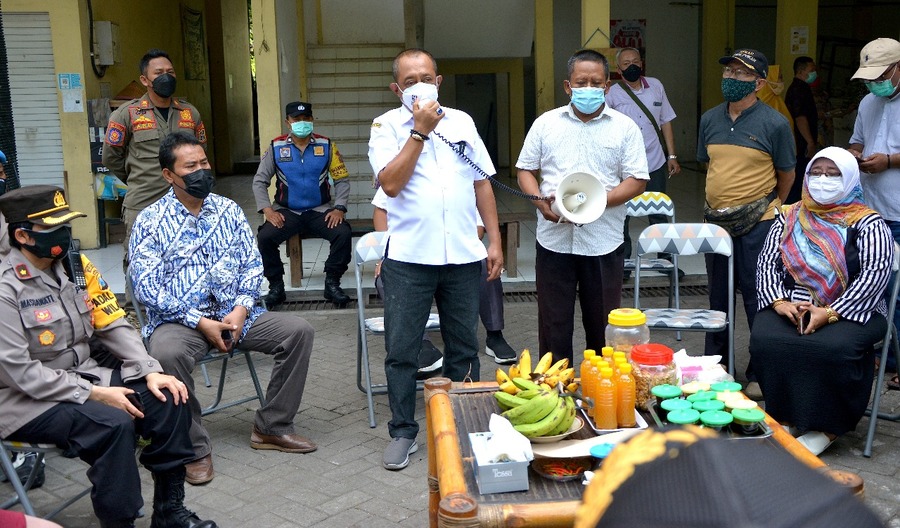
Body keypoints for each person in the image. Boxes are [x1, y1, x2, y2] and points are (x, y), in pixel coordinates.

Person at [0, 185, 216, 528]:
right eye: (53, 227)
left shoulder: (73, 266)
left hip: (82, 375)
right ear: (23, 236)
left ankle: (169, 511)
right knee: (112, 423)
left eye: (66, 223)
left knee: (168, 395)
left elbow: (111, 322)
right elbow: (19, 373)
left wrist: (150, 370)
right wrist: (96, 394)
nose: (65, 234)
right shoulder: (5, 287)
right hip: (23, 400)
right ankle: (119, 521)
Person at [130, 132, 316, 486]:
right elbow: (147, 288)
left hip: (236, 316)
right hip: (182, 322)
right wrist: (200, 322)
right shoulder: (150, 221)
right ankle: (193, 447)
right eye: (191, 166)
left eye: (204, 163)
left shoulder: (228, 211)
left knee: (299, 331)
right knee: (165, 352)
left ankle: (272, 427)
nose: (201, 171)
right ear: (169, 175)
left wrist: (243, 309)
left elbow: (251, 265)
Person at [368, 48, 503, 470]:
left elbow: (482, 183)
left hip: (463, 254)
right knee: (402, 349)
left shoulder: (461, 122)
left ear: (439, 81)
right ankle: (404, 431)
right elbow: (389, 184)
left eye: (426, 76)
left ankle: (467, 421)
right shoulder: (386, 126)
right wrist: (419, 132)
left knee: (465, 344)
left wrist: (494, 241)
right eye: (409, 81)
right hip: (409, 258)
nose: (419, 85)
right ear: (396, 88)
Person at [751, 147, 893, 455]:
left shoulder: (868, 224)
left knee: (834, 347)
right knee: (766, 338)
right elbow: (766, 264)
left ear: (850, 178)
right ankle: (786, 416)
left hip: (854, 308)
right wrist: (778, 302)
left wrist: (829, 312)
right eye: (816, 172)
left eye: (833, 173)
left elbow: (874, 276)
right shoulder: (788, 216)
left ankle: (828, 427)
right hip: (792, 303)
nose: (822, 180)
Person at [516, 49, 649, 366]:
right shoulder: (546, 124)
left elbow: (637, 180)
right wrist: (538, 200)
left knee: (603, 328)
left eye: (596, 82)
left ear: (606, 87)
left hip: (603, 242)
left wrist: (598, 202)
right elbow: (524, 170)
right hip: (554, 239)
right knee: (553, 324)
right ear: (567, 86)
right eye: (581, 82)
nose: (588, 88)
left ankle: (598, 390)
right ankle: (555, 391)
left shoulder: (624, 127)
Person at [697, 49, 795, 385]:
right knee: (718, 298)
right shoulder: (710, 119)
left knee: (759, 294)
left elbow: (787, 173)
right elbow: (710, 165)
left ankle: (760, 371)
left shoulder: (775, 123)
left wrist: (771, 207)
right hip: (717, 224)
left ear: (759, 82)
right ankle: (717, 366)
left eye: (741, 74)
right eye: (729, 73)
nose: (731, 79)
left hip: (761, 222)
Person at [372, 188, 518, 368]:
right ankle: (421, 344)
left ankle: (495, 335)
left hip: (455, 254)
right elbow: (380, 211)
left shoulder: (463, 173)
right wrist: (388, 252)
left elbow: (478, 229)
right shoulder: (399, 167)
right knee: (386, 274)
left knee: (484, 265)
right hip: (410, 255)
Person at [103, 48, 207, 244]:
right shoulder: (126, 114)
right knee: (139, 260)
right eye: (159, 73)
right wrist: (139, 177)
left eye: (170, 72)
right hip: (143, 201)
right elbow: (111, 157)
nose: (166, 77)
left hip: (187, 200)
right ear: (145, 80)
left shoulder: (189, 113)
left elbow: (201, 152)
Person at [254, 101, 352, 307]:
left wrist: (339, 208)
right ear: (287, 122)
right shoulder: (276, 146)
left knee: (342, 233)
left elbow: (342, 179)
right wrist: (268, 210)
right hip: (287, 211)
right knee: (265, 237)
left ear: (312, 119)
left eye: (306, 118)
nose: (302, 123)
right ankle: (276, 286)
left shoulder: (327, 145)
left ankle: (332, 283)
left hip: (320, 210)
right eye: (296, 119)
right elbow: (259, 181)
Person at [848, 37, 900, 387]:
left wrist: (889, 160)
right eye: (868, 78)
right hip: (869, 212)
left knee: (899, 292)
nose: (873, 83)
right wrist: (853, 156)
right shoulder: (868, 101)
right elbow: (857, 140)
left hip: (898, 212)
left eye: (879, 75)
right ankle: (885, 354)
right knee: (874, 288)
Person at [605, 47, 680, 271]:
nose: (632, 66)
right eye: (626, 64)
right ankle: (623, 263)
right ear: (618, 70)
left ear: (642, 63)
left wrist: (672, 155)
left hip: (654, 161)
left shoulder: (656, 86)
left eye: (635, 61)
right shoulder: (612, 93)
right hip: (624, 166)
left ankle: (666, 260)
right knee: (622, 214)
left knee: (659, 212)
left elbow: (665, 121)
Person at [785, 56, 819, 204]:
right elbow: (800, 118)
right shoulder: (798, 89)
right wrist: (810, 142)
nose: (814, 74)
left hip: (800, 143)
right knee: (799, 178)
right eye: (812, 70)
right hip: (800, 144)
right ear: (801, 71)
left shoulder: (801, 88)